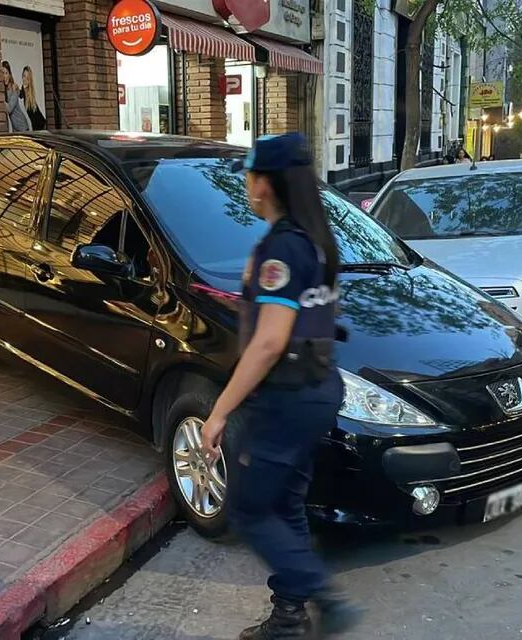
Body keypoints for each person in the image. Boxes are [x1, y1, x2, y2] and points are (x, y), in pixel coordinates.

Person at [201, 133, 361, 640]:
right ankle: (289, 618)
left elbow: (270, 342)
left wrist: (219, 411)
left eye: (250, 175)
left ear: (265, 182)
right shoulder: (312, 239)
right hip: (316, 388)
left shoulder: (284, 248)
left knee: (248, 508)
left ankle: (324, 596)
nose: (247, 185)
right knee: (285, 503)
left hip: (289, 397)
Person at [1, 61, 31, 132]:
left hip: (23, 128)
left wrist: (0, 99)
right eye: (2, 73)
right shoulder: (4, 90)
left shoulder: (14, 89)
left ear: (9, 74)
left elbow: (9, 109)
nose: (4, 76)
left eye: (6, 73)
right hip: (16, 130)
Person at [20, 66, 46, 130]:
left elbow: (39, 118)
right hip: (27, 128)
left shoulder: (31, 96)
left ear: (30, 79)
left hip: (35, 129)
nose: (25, 79)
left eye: (27, 77)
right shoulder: (20, 93)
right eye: (24, 76)